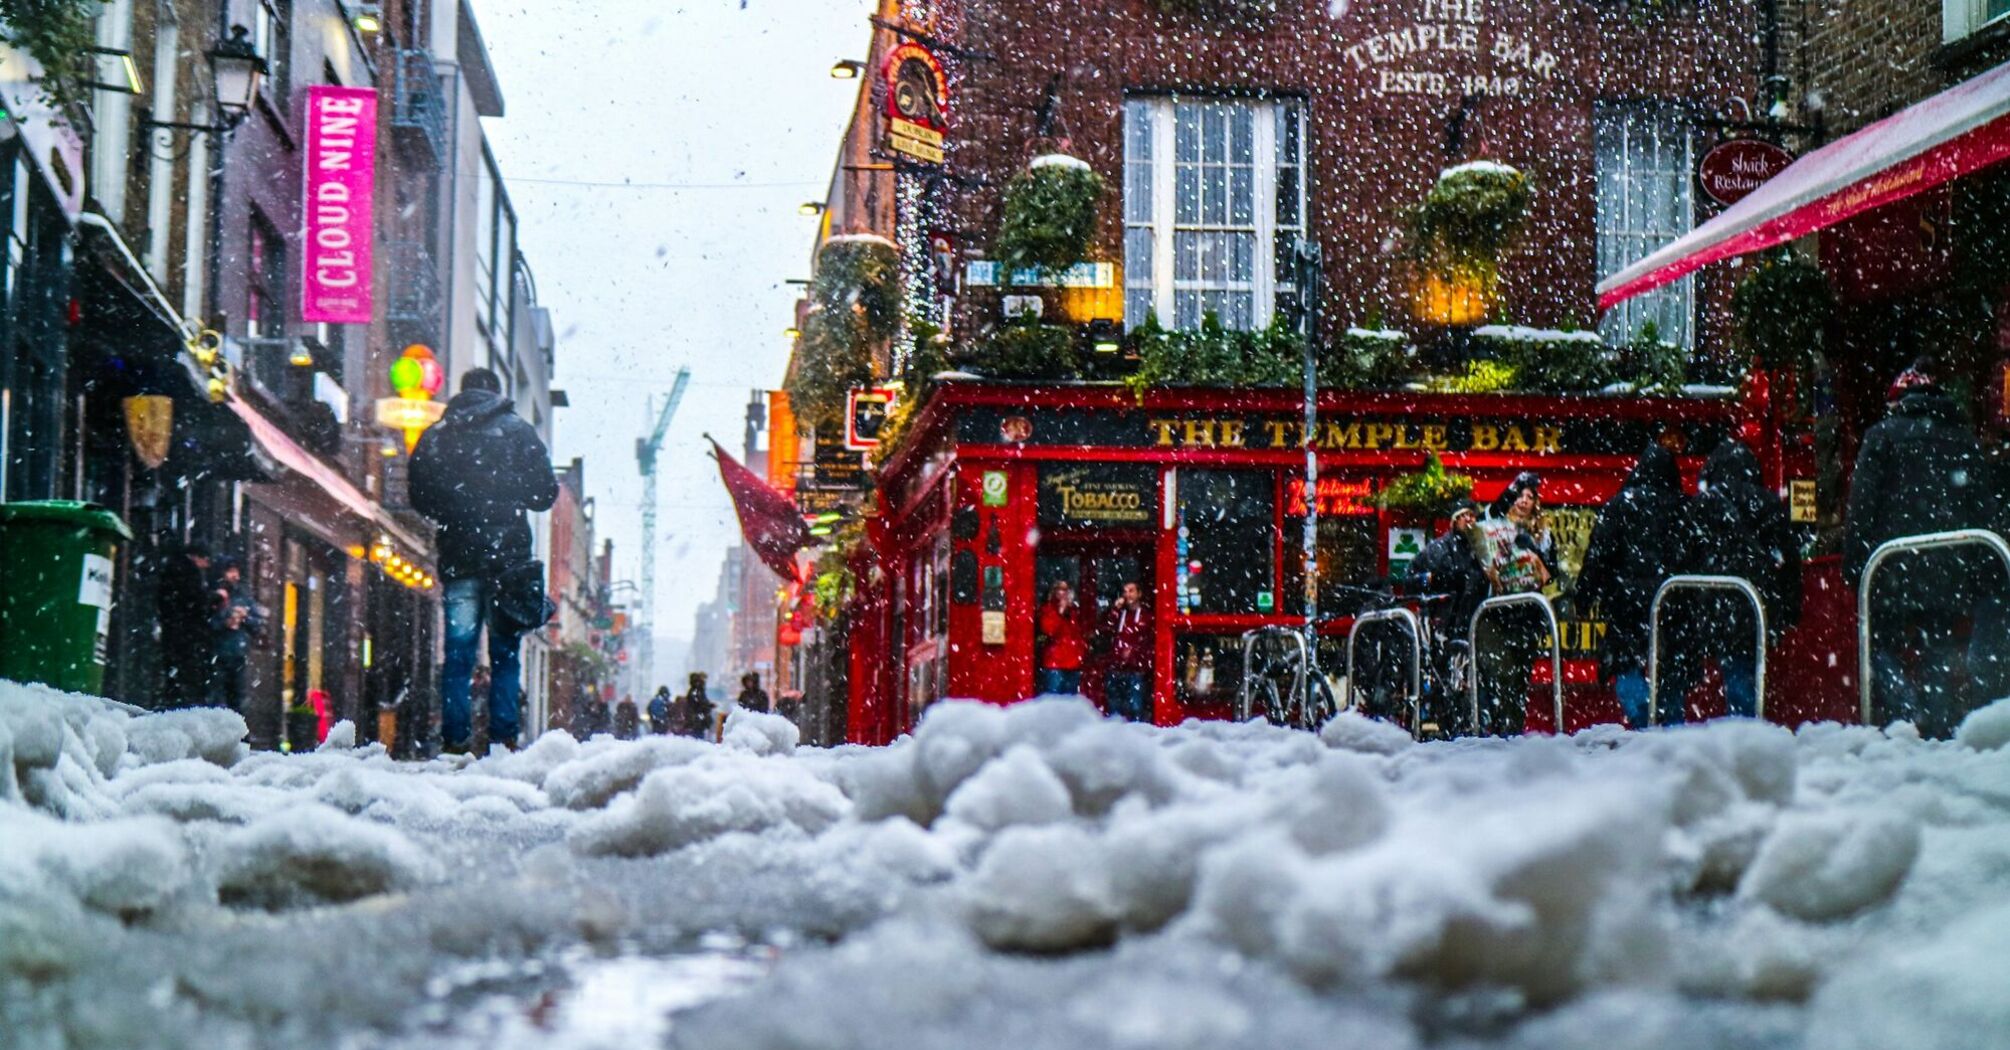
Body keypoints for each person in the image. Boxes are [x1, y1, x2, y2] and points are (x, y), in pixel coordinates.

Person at [409, 367, 559, 754]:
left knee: (457, 655)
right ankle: (503, 741)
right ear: (497, 392)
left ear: (462, 391)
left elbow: (419, 496)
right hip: (509, 560)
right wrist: (508, 493)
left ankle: (455, 740)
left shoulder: (439, 434)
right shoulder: (519, 432)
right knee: (506, 654)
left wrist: (457, 507)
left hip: (460, 556)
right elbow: (544, 494)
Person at [1844, 362, 1998, 737]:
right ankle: (1937, 728)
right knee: (1940, 650)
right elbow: (1983, 509)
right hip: (1949, 566)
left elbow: (1862, 506)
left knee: (1880, 648)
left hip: (1891, 564)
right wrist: (1979, 569)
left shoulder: (1881, 437)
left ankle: (1906, 715)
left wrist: (1856, 566)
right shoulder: (1964, 440)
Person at [1664, 440, 1803, 723]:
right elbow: (1789, 559)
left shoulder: (1703, 504)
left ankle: (1741, 730)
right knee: (1745, 666)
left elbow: (1683, 557)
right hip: (1756, 600)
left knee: (1735, 666)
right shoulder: (1767, 503)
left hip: (1715, 601)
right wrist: (1788, 608)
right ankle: (1746, 727)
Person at [1576, 444, 1690, 728]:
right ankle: (1672, 729)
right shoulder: (1685, 507)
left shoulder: (1620, 505)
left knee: (1626, 666)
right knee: (1672, 669)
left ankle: (1643, 722)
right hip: (1674, 603)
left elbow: (1598, 556)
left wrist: (1584, 597)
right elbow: (1697, 554)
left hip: (1627, 603)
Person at [1472, 472, 1558, 736]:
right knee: (1501, 676)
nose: (1523, 501)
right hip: (1495, 615)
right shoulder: (1494, 524)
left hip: (1526, 616)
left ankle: (1510, 733)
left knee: (1518, 682)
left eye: (1530, 497)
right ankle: (1499, 731)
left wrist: (1534, 553)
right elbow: (1491, 512)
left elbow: (1551, 571)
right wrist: (1516, 486)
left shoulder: (1542, 533)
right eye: (1520, 496)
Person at [1405, 501, 1491, 731]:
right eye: (1464, 516)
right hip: (1444, 624)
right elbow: (1410, 581)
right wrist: (1432, 580)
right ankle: (1445, 718)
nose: (1469, 520)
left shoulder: (1483, 550)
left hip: (1473, 623)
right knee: (1445, 682)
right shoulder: (1437, 549)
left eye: (1473, 516)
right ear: (1454, 521)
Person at [157, 542, 214, 708]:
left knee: (174, 675)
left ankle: (172, 703)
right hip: (186, 634)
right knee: (187, 676)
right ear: (198, 557)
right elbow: (196, 602)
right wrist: (213, 600)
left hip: (173, 630)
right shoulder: (189, 573)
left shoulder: (172, 568)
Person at [207, 556, 263, 712]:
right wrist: (224, 623)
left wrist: (245, 618)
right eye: (231, 571)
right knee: (215, 700)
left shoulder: (243, 596)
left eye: (236, 571)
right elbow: (204, 623)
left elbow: (257, 625)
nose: (235, 576)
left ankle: (238, 733)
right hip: (216, 655)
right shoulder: (213, 594)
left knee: (237, 700)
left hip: (237, 655)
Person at [1100, 580, 1152, 722]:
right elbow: (1105, 628)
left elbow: (1147, 640)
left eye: (1131, 591)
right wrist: (1115, 609)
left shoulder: (1146, 616)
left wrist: (1134, 652)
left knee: (1136, 707)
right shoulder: (1119, 614)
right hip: (1116, 668)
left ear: (1139, 594)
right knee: (1114, 708)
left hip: (1135, 669)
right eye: (1125, 591)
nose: (1127, 595)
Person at [1035, 580, 1088, 695]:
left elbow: (1079, 633)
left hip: (1073, 663)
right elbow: (1049, 630)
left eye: (1066, 590)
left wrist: (1081, 653)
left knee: (1070, 701)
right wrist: (1060, 612)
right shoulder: (1048, 609)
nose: (1063, 593)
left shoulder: (1074, 611)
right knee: (1052, 699)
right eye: (1060, 589)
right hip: (1055, 663)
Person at [677, 672, 715, 739]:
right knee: (698, 738)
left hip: (697, 720)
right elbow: (699, 704)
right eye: (704, 679)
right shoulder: (697, 691)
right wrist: (708, 706)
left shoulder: (694, 690)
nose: (705, 681)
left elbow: (698, 703)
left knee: (697, 737)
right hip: (698, 720)